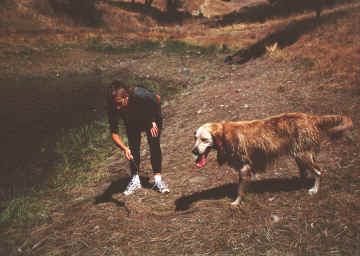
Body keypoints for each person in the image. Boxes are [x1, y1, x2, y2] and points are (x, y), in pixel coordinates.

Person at [107, 80, 169, 195]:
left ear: (127, 97)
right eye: (115, 105)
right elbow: (114, 133)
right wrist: (125, 149)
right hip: (132, 120)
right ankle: (135, 180)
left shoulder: (140, 94)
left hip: (151, 117)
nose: (117, 108)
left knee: (153, 143)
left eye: (119, 104)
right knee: (133, 147)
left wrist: (152, 120)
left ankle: (158, 180)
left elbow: (158, 99)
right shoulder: (114, 106)